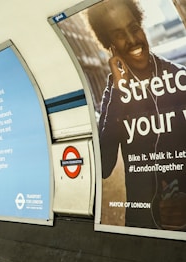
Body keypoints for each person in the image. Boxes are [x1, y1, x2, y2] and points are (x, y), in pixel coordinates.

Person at [87, 0, 186, 230]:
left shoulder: (178, 78)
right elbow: (103, 166)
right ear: (110, 45)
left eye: (133, 28)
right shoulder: (113, 97)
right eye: (119, 35)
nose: (132, 40)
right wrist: (120, 92)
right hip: (141, 225)